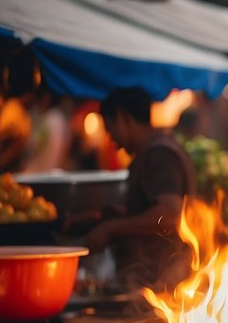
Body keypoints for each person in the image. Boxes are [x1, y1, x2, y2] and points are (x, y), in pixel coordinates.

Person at [84, 86, 196, 288]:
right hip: (156, 283)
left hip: (163, 284)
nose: (111, 140)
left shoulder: (158, 153)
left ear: (125, 118)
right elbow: (150, 209)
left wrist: (112, 228)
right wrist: (107, 217)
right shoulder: (155, 150)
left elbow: (170, 215)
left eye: (110, 129)